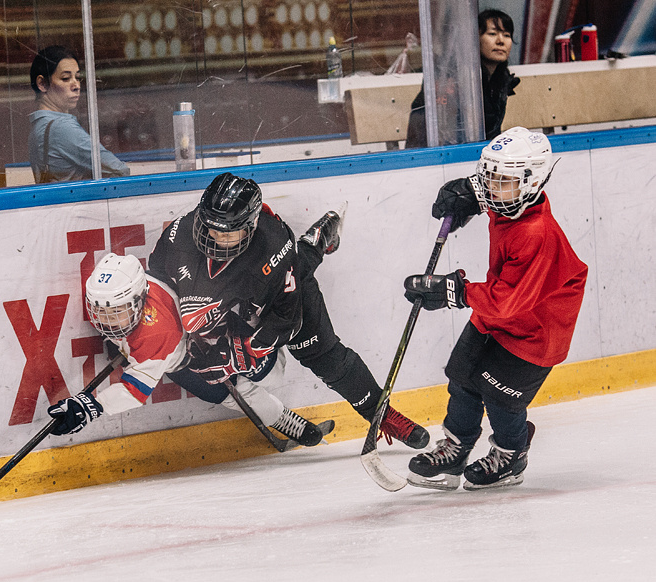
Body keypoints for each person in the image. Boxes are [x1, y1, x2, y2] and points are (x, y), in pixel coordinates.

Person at [147, 172, 430, 449]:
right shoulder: (177, 235)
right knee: (184, 363)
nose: (215, 239)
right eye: (210, 228)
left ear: (250, 227)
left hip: (276, 302)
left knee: (322, 355)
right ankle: (280, 417)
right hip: (228, 309)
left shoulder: (274, 245)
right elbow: (158, 287)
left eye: (227, 233)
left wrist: (241, 353)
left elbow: (287, 320)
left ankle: (381, 414)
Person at [403, 127, 588, 490]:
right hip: (499, 311)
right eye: (488, 178)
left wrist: (451, 290)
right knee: (463, 376)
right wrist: (468, 194)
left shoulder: (537, 233)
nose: (491, 188)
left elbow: (508, 301)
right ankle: (456, 448)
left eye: (501, 181)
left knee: (501, 397)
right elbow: (502, 300)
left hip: (537, 329)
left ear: (531, 183)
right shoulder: (511, 203)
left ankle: (511, 452)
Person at [46, 252, 328, 447]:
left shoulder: (156, 334)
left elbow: (133, 392)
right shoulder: (141, 286)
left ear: (139, 300)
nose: (107, 321)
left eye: (117, 312)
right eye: (102, 312)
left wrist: (91, 407)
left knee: (241, 392)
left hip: (194, 355)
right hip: (185, 338)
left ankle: (292, 424)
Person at [405, 9, 521, 148]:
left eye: (507, 35)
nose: (500, 41)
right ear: (474, 40)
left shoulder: (501, 78)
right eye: (492, 34)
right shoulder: (453, 77)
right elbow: (444, 136)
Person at [28, 45, 130, 183]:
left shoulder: (40, 125)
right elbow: (119, 170)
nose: (76, 86)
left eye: (77, 77)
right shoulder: (61, 127)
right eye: (65, 78)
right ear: (42, 84)